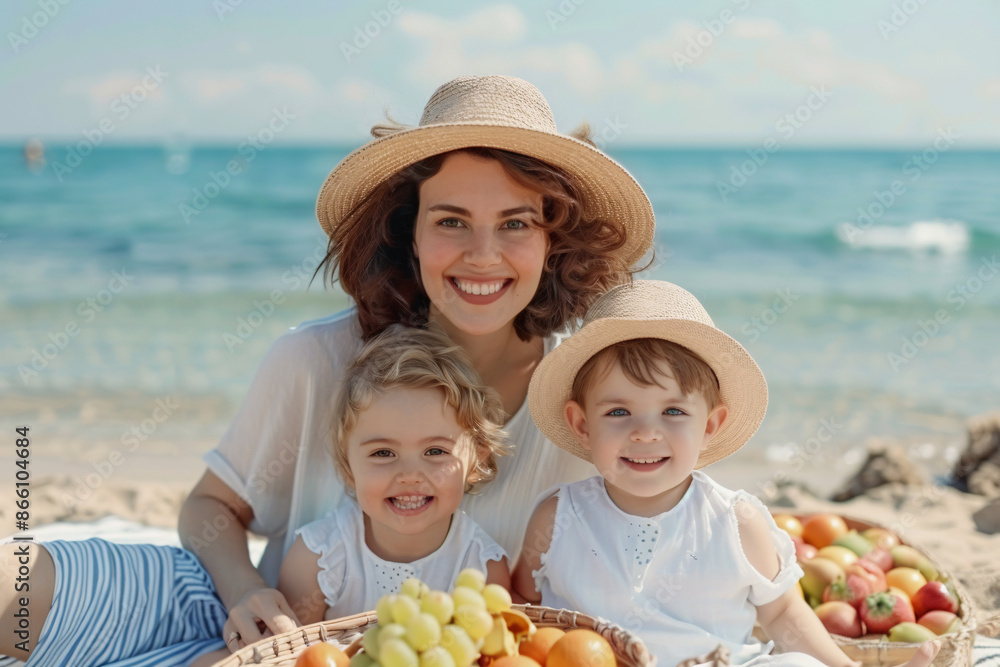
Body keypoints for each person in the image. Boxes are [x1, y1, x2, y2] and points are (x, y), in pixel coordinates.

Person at [176, 73, 656, 653]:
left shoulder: (588, 399)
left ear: (554, 241)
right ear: (410, 234)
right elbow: (210, 506)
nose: (483, 255)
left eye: (516, 223)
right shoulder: (313, 360)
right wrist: (244, 589)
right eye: (451, 221)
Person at [0, 325, 510, 667]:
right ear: (346, 471)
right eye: (382, 455)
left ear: (479, 459)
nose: (409, 475)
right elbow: (288, 650)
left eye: (436, 452)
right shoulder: (321, 553)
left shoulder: (483, 566)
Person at [512, 281, 939, 667]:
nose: (645, 433)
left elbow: (784, 613)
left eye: (673, 411)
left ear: (710, 426)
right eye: (618, 412)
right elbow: (524, 609)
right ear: (583, 425)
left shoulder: (736, 521)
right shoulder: (557, 517)